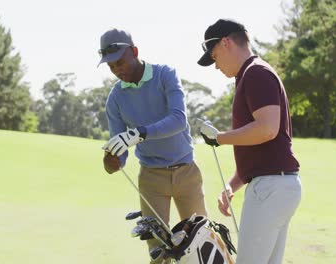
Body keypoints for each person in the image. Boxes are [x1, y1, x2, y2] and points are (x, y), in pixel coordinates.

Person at [196, 19, 302, 264]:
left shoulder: (255, 73)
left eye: (214, 56)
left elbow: (267, 129)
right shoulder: (252, 74)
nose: (215, 66)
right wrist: (234, 183)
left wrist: (218, 138)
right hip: (279, 185)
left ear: (226, 43)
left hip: (270, 188)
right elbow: (262, 145)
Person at [98, 28, 207, 264]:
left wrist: (140, 133)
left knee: (201, 243)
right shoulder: (115, 98)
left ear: (134, 52)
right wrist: (112, 160)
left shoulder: (165, 75)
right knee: (158, 252)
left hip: (186, 172)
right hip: (151, 179)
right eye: (111, 66)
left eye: (120, 62)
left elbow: (179, 119)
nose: (117, 69)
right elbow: (119, 155)